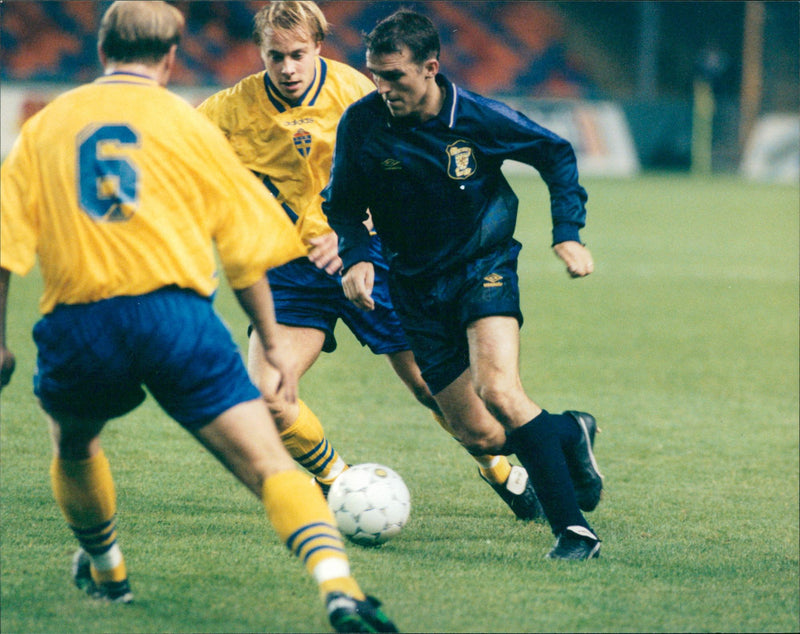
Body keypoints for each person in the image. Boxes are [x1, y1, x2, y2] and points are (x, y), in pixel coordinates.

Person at [0, 3, 397, 631]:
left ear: (102, 50)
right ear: (170, 57)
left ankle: (108, 570)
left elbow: (3, 247)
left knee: (73, 444)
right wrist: (270, 343)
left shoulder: (46, 124)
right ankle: (339, 588)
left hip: (80, 322)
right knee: (268, 464)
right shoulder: (190, 128)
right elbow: (245, 255)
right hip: (177, 317)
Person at [197, 0, 543, 521]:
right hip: (290, 272)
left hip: (374, 258)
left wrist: (353, 234)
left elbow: (408, 173)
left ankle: (504, 472)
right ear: (260, 53)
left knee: (433, 389)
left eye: (297, 54)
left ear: (318, 46)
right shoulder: (229, 108)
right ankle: (336, 481)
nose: (287, 68)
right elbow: (175, 149)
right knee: (267, 396)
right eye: (275, 57)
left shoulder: (359, 93)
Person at [323, 9, 605, 561]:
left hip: (484, 265)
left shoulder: (476, 117)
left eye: (395, 76)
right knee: (482, 436)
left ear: (430, 68)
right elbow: (344, 206)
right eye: (375, 75)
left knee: (499, 390)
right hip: (413, 287)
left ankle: (574, 532)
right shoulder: (361, 122)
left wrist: (567, 232)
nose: (383, 88)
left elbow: (554, 153)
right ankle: (569, 432)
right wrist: (357, 257)